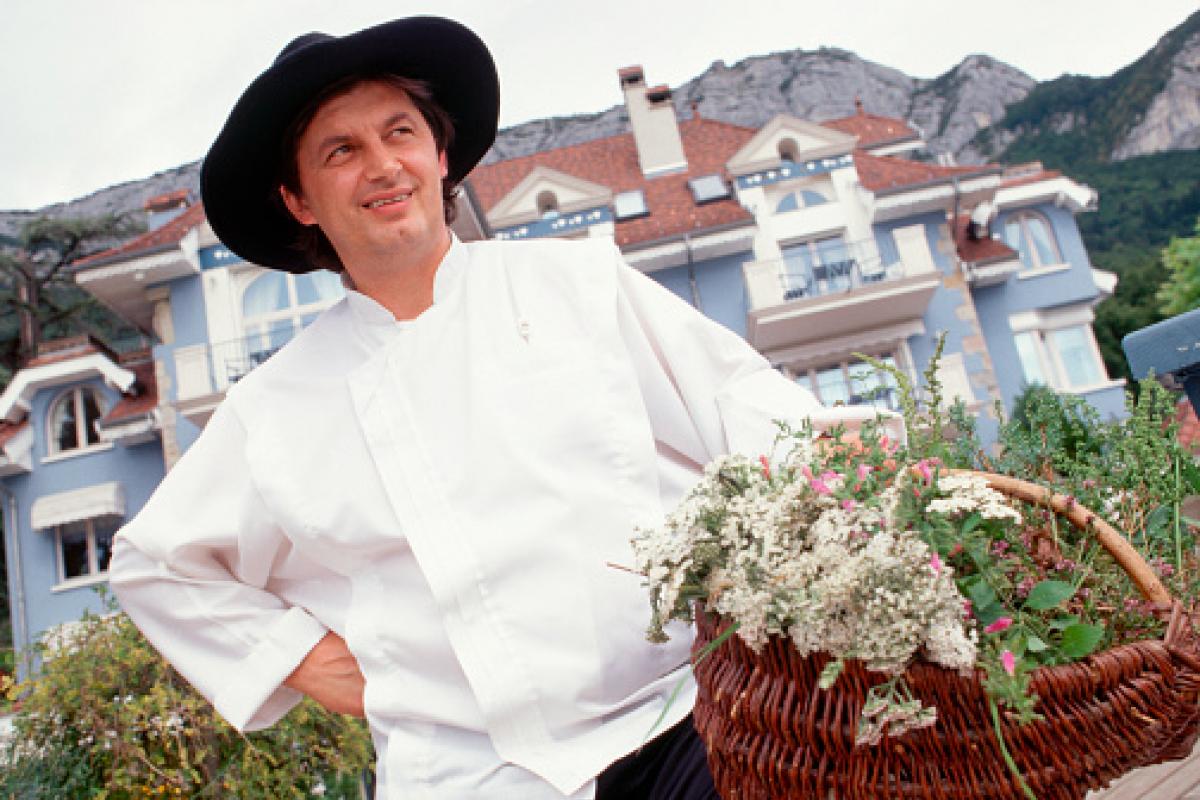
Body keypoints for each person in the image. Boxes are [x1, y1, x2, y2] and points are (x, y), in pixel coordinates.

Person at [110, 16, 873, 799]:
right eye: (341, 150)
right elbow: (154, 564)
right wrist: (297, 658)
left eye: (399, 132)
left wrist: (873, 486)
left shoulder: (575, 284)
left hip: (686, 716)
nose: (382, 165)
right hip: (468, 774)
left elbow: (750, 410)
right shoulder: (274, 406)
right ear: (299, 200)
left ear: (439, 157)